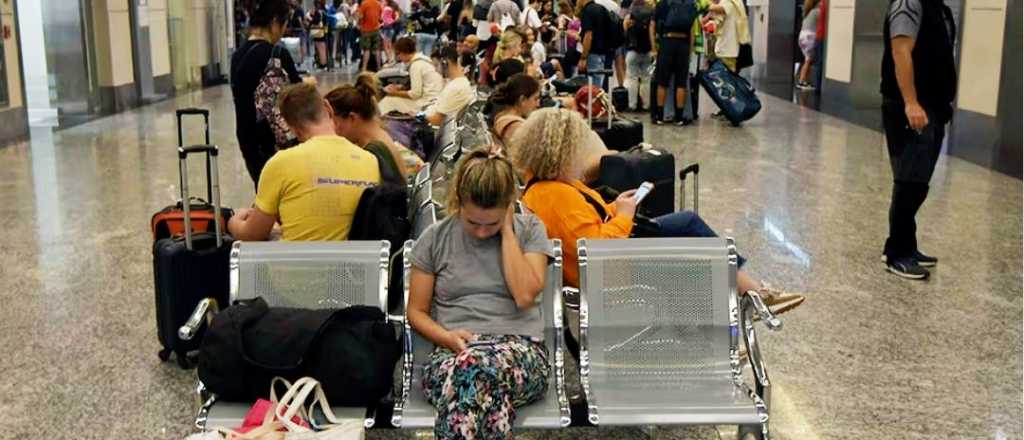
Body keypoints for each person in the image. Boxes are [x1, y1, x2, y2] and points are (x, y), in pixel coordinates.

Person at [513, 108, 806, 313]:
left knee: (688, 227)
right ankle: (752, 295)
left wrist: (616, 207)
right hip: (610, 271)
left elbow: (585, 224)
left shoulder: (545, 188)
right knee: (690, 235)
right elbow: (596, 247)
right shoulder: (557, 195)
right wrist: (625, 215)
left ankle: (751, 293)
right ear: (562, 152)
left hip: (603, 262)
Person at [408, 149, 553, 440]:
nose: (482, 233)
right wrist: (445, 337)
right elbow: (416, 311)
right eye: (473, 223)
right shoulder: (435, 239)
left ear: (509, 207)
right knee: (475, 376)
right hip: (453, 352)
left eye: (492, 224)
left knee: (472, 371)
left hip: (522, 354)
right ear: (459, 202)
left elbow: (525, 295)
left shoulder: (530, 231)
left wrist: (508, 234)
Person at [228, 83, 381, 242]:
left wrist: (232, 223)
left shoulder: (281, 163)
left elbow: (252, 235)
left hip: (298, 265)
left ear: (291, 128)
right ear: (328, 108)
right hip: (353, 265)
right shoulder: (370, 161)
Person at [879, 0, 957, 279]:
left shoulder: (939, 7)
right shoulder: (908, 2)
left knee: (919, 181)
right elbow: (901, 50)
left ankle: (908, 245)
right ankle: (896, 253)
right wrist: (910, 102)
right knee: (908, 180)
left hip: (933, 105)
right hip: (912, 107)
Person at [231, 0, 305, 188]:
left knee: (264, 192)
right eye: (283, 25)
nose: (283, 32)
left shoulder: (237, 56)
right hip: (274, 141)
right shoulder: (277, 54)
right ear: (274, 23)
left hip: (247, 137)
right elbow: (298, 94)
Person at [326, 74, 425, 182]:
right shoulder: (382, 136)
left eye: (334, 122)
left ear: (352, 118)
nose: (332, 129)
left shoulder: (372, 154)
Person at [651, 0, 696, 125]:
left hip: (667, 42)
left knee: (662, 82)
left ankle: (659, 117)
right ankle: (680, 118)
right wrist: (690, 50)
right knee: (681, 83)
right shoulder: (689, 5)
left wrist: (654, 48)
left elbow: (652, 25)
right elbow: (692, 30)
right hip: (683, 44)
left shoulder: (663, 4)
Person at [378, 37, 445, 114]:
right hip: (435, 99)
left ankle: (372, 122)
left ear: (403, 52)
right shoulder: (424, 60)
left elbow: (415, 94)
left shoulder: (416, 65)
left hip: (427, 103)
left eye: (398, 54)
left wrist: (393, 93)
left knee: (388, 100)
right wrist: (400, 88)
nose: (398, 57)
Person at [423, 43, 476, 125]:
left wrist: (416, 118)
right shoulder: (458, 83)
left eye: (437, 65)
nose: (436, 70)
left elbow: (437, 120)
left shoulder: (455, 87)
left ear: (445, 63)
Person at [490, 73, 542, 147]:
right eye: (535, 99)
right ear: (522, 100)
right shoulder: (516, 127)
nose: (538, 104)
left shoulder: (501, 116)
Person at [623, 0, 654, 112]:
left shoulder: (630, 15)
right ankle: (646, 105)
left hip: (632, 51)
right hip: (648, 51)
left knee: (632, 78)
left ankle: (633, 105)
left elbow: (624, 31)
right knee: (646, 79)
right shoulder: (651, 13)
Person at [576, 0, 614, 86]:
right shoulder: (602, 9)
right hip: (605, 53)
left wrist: (583, 57)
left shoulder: (587, 11)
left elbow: (588, 35)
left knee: (594, 86)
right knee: (600, 83)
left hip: (593, 53)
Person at [795, 0, 820, 90]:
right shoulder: (817, 12)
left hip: (802, 37)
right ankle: (801, 81)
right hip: (809, 37)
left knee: (807, 60)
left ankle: (804, 81)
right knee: (808, 60)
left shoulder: (808, 12)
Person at [357, 0, 385, 71]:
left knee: (367, 50)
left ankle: (364, 67)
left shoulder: (364, 3)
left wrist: (359, 24)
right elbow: (381, 18)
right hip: (376, 29)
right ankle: (379, 67)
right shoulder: (378, 4)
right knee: (377, 49)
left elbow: (360, 17)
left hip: (366, 30)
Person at [308, 1, 330, 69]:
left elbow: (316, 20)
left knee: (320, 48)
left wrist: (310, 18)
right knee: (323, 48)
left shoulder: (317, 12)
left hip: (318, 31)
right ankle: (324, 63)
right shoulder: (325, 10)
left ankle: (323, 64)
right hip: (323, 31)